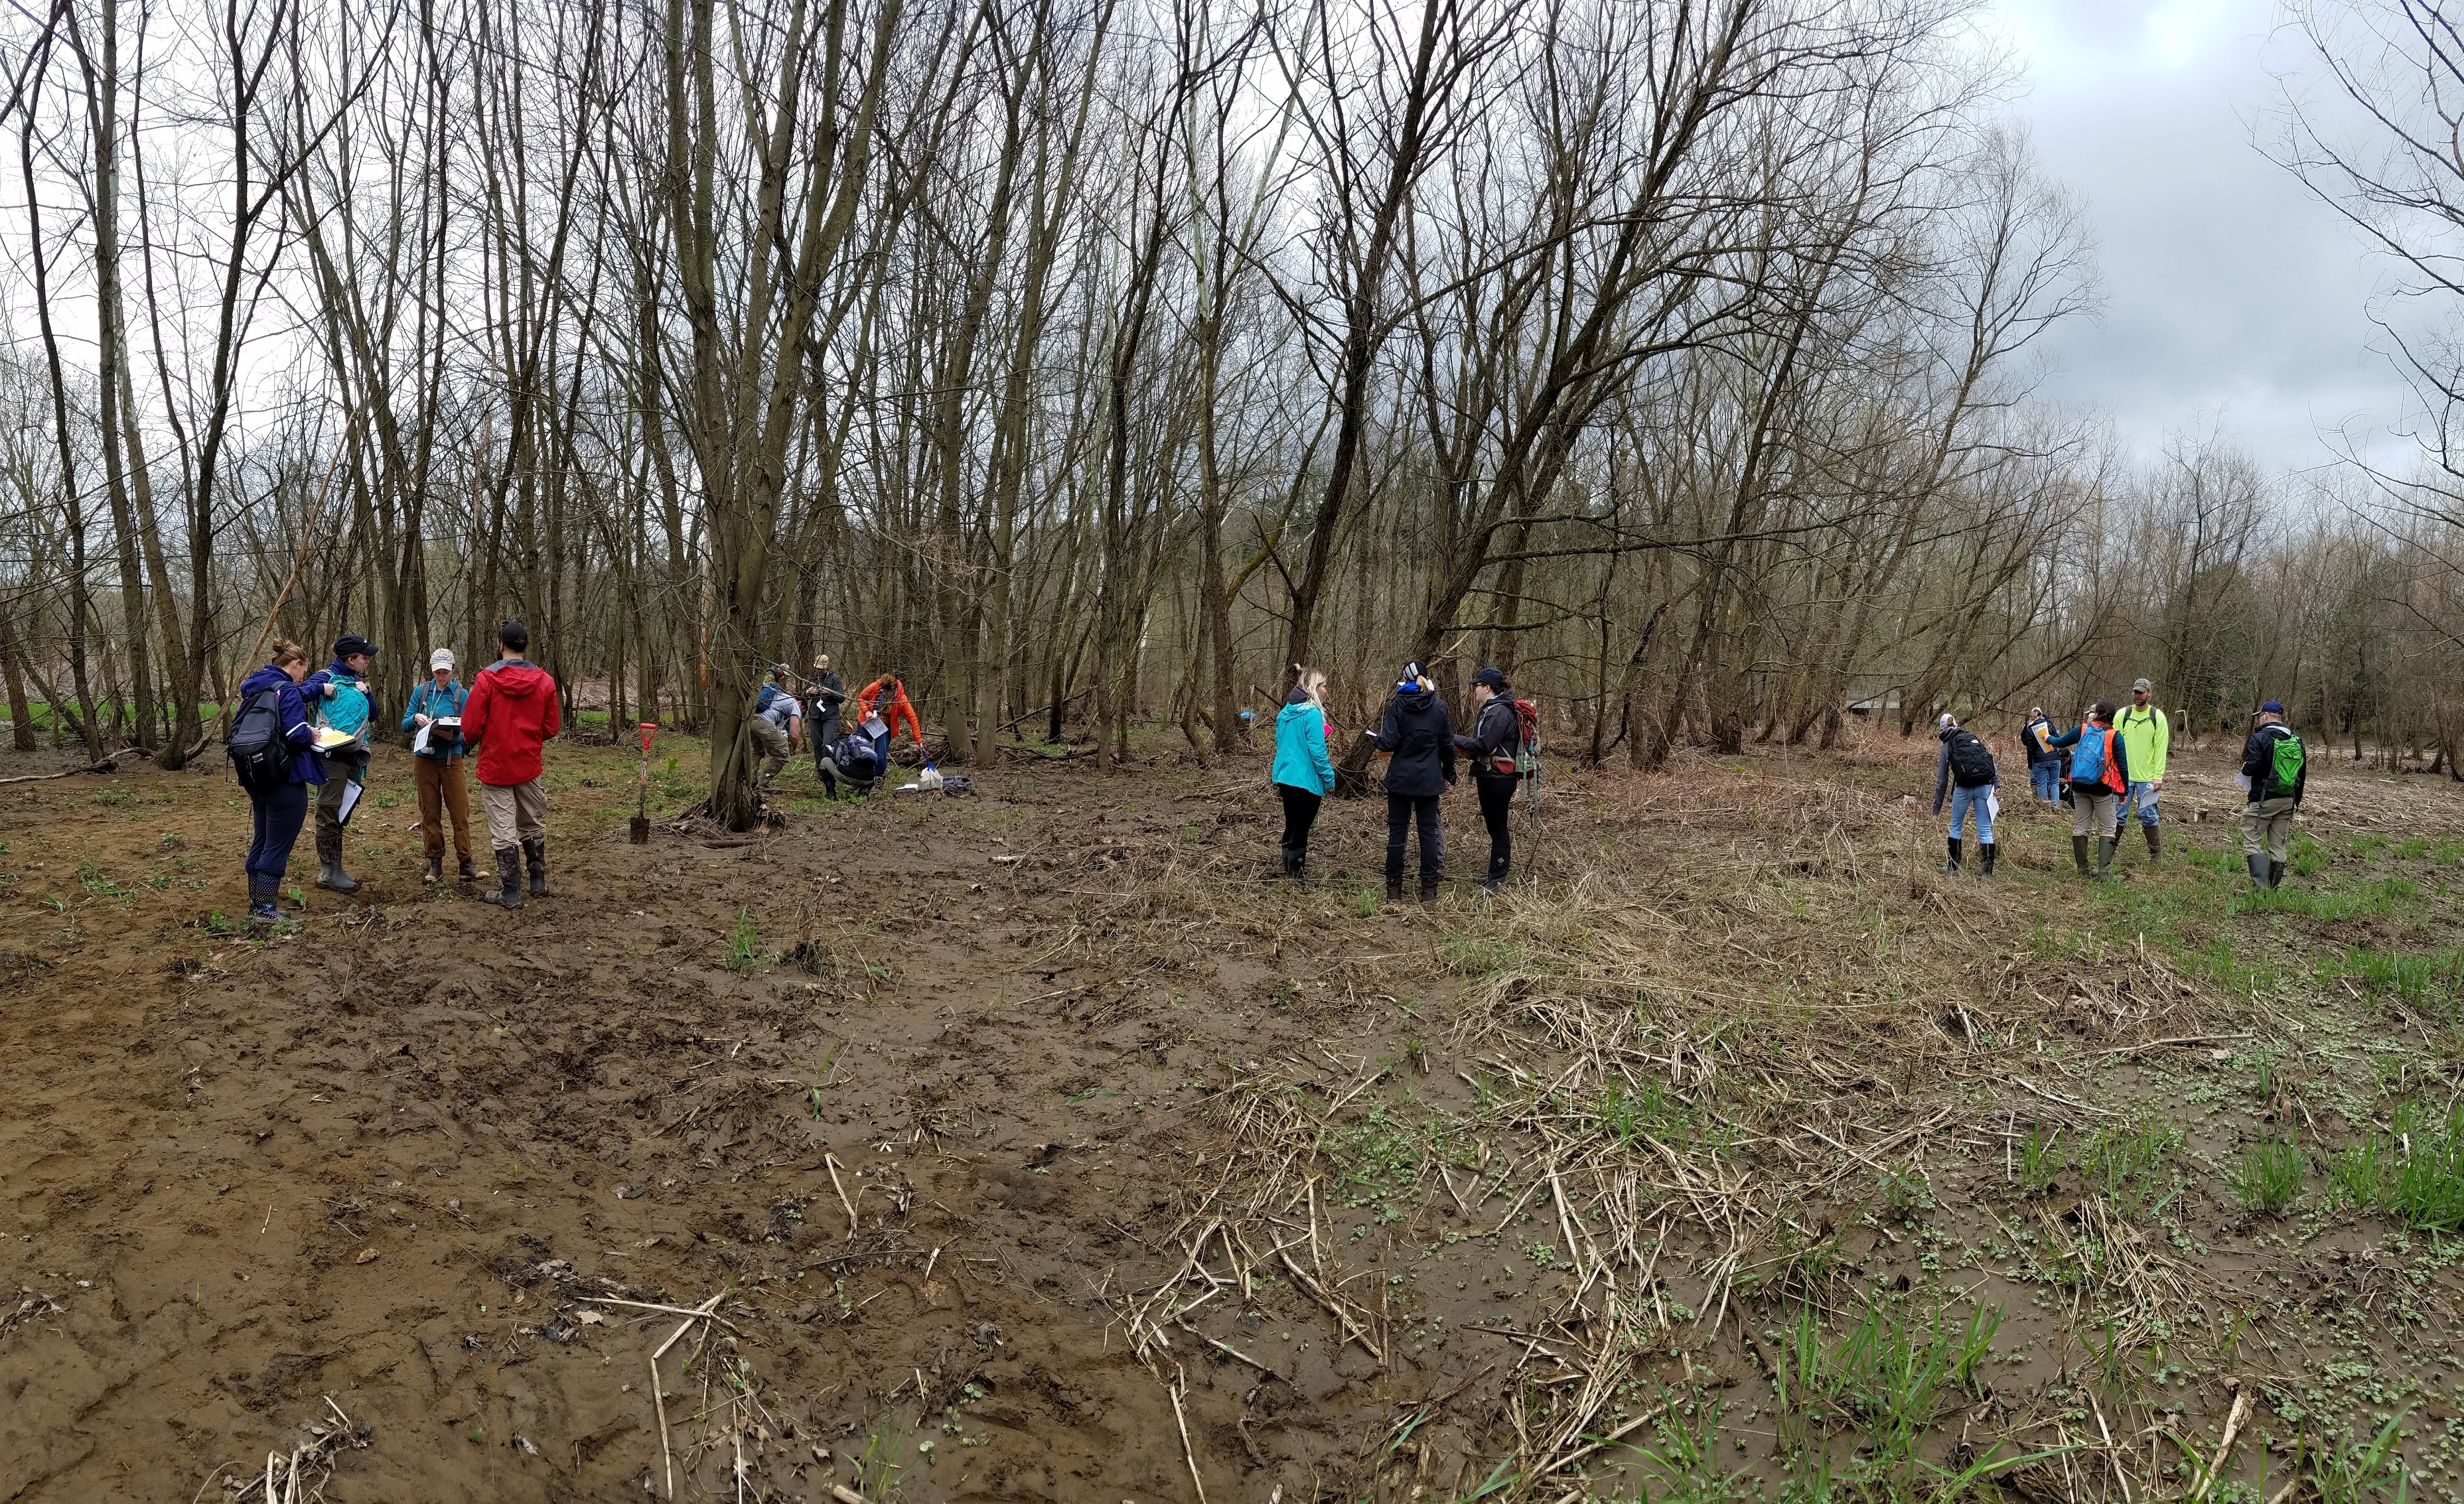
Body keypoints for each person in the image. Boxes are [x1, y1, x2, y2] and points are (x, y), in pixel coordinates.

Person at [462, 619, 561, 908]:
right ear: (525, 646)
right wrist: (528, 739)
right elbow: (551, 727)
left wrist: (484, 738)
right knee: (531, 819)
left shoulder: (486, 680)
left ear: (501, 646)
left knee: (503, 827)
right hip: (528, 763)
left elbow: (470, 727)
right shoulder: (545, 681)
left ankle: (510, 891)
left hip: (496, 765)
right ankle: (538, 880)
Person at [235, 640, 323, 923]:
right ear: (295, 664)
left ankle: (256, 904)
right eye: (303, 672)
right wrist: (314, 735)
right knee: (277, 845)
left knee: (262, 839)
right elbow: (296, 735)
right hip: (284, 776)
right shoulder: (287, 690)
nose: (302, 679)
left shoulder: (254, 687)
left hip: (256, 774)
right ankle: (266, 911)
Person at [1369, 660, 1455, 904]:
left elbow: (1389, 743)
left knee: (1397, 833)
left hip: (1400, 780)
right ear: (1426, 678)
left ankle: (1394, 891)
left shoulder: (1397, 706)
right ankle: (1429, 891)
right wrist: (1449, 773)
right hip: (1429, 780)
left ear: (1405, 680)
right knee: (1428, 834)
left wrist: (1375, 739)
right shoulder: (1439, 707)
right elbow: (1447, 745)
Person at [303, 633, 378, 893]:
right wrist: (320, 690)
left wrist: (367, 695)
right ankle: (329, 872)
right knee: (328, 811)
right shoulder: (325, 677)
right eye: (364, 658)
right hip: (331, 759)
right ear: (351, 659)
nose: (367, 662)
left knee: (341, 812)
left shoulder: (357, 681)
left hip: (354, 758)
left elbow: (375, 715)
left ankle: (336, 869)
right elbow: (296, 694)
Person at [402, 648, 476, 884]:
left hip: (451, 760)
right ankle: (435, 862)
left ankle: (466, 862)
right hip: (424, 761)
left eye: (445, 671)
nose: (441, 675)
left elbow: (470, 730)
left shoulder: (461, 695)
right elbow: (404, 724)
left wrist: (451, 738)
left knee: (459, 811)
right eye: (437, 672)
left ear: (453, 670)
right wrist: (416, 719)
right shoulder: (421, 691)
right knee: (430, 812)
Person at [1453, 667, 1524, 894]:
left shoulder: (1499, 712)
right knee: (1495, 827)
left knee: (1499, 828)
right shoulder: (1492, 710)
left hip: (1499, 778)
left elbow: (1485, 745)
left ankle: (1498, 879)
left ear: (1487, 687)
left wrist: (1450, 738)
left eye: (1477, 685)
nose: (1474, 690)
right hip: (1491, 776)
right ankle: (1494, 873)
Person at [2045, 699, 2132, 879]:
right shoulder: (2115, 736)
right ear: (2113, 716)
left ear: (2096, 712)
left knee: (2081, 826)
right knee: (2108, 827)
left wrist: (2047, 738)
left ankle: (2083, 871)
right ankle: (2104, 873)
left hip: (2078, 787)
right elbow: (2123, 766)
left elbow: (2060, 742)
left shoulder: (2083, 729)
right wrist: (2123, 792)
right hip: (2102, 788)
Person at [1271, 667, 1337, 881]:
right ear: (1314, 688)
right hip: (1305, 779)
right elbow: (1318, 753)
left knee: (1291, 822)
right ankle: (1297, 875)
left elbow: (1280, 742)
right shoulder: (1312, 714)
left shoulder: (1285, 713)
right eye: (1323, 686)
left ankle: (1288, 869)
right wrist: (1329, 780)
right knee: (1302, 826)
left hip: (1285, 776)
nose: (1326, 691)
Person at [2240, 699, 2307, 891]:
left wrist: (2245, 770)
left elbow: (2252, 766)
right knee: (2278, 844)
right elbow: (2302, 775)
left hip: (2263, 799)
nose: (2259, 720)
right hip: (2288, 800)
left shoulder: (2260, 737)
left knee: (2252, 839)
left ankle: (2259, 887)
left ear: (2266, 716)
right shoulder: (2296, 741)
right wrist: (2295, 803)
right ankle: (2273, 887)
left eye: (2260, 717)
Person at [1931, 714, 2000, 875]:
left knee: (1956, 826)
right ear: (1956, 724)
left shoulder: (1946, 746)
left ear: (1942, 729)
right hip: (1985, 786)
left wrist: (1936, 808)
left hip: (1963, 789)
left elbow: (1942, 781)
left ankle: (1952, 867)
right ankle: (1987, 873)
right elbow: (1989, 760)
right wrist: (1996, 783)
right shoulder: (1973, 738)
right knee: (1985, 829)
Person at [2116, 677, 2170, 861]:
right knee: (2119, 814)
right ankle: (2108, 854)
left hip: (2147, 778)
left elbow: (2161, 748)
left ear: (2149, 693)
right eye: (2135, 692)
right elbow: (2114, 745)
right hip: (2124, 777)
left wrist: (2158, 776)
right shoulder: (2122, 715)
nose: (2137, 695)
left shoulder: (2158, 717)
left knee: (2148, 815)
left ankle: (2156, 856)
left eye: (2141, 692)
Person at [857, 674, 924, 766]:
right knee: (861, 749)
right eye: (883, 691)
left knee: (880, 757)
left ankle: (878, 777)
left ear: (893, 690)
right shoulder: (874, 687)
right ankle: (859, 774)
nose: (884, 694)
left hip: (884, 728)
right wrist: (867, 712)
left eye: (887, 693)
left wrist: (919, 740)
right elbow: (861, 698)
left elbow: (912, 718)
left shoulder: (901, 700)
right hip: (867, 723)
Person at [750, 670, 801, 786]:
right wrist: (794, 748)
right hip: (764, 722)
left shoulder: (777, 695)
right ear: (801, 705)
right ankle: (763, 784)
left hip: (751, 719)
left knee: (756, 751)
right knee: (782, 754)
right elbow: (794, 734)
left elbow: (777, 730)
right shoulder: (795, 704)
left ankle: (751, 782)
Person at [817, 727, 884, 800]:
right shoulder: (866, 743)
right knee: (868, 769)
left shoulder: (842, 741)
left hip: (849, 777)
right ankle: (865, 788)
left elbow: (835, 757)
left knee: (824, 761)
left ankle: (831, 794)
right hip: (869, 779)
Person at [806, 655, 846, 777]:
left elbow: (842, 698)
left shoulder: (835, 679)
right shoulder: (812, 678)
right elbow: (802, 694)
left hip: (831, 717)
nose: (820, 671)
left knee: (827, 744)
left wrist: (831, 693)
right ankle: (820, 770)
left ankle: (829, 769)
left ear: (827, 667)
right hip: (815, 717)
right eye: (818, 669)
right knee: (817, 745)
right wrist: (808, 692)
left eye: (822, 669)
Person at [2021, 707, 2063, 803]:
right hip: (2054, 758)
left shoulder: (2030, 729)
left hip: (2039, 760)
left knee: (2042, 784)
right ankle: (2056, 806)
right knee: (2055, 783)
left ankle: (2044, 807)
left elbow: (2028, 746)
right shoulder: (2049, 724)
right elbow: (2057, 739)